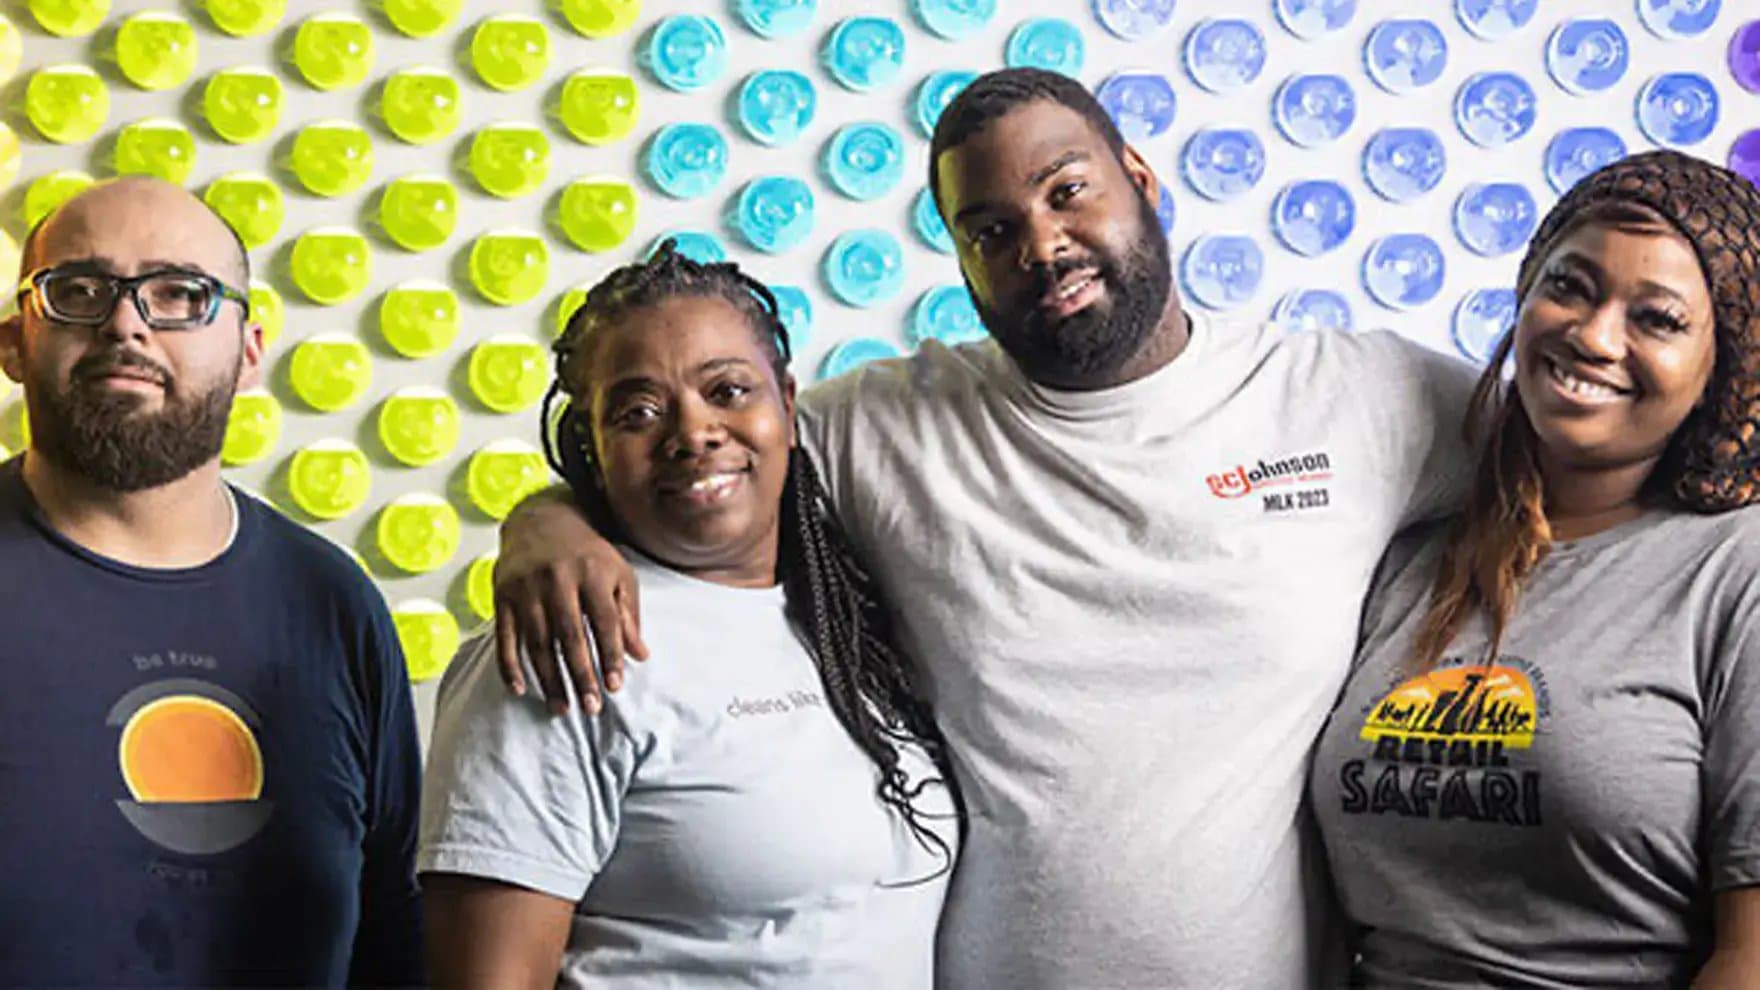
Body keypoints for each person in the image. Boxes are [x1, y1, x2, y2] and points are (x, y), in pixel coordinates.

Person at [493, 68, 1478, 988]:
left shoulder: (1355, 395)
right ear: (960, 256)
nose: (1040, 247)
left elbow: (1585, 459)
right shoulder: (889, 425)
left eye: (1066, 192)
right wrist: (544, 526)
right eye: (990, 229)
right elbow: (705, 455)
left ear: (1138, 177)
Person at [418, 242, 959, 988]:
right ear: (594, 448)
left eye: (729, 390)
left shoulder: (845, 614)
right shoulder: (566, 641)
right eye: (638, 411)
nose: (693, 433)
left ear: (789, 408)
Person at [1312, 152, 1760, 986]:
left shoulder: (1737, 571)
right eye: (1572, 286)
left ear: (1722, 366)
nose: (1593, 335)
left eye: (1657, 318)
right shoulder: (1413, 556)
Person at [0, 178, 423, 986]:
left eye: (180, 293)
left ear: (250, 351)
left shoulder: (334, 604)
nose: (126, 321)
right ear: (15, 341)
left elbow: (393, 933)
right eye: (79, 290)